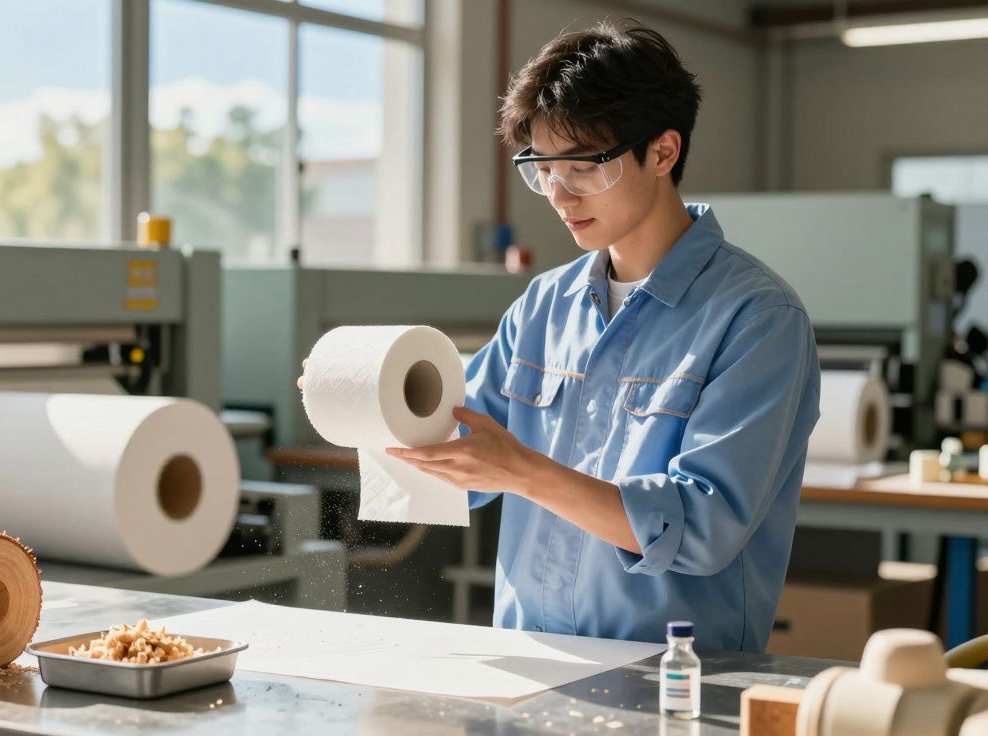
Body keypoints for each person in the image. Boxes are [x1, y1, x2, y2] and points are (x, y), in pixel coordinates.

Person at [305, 19, 820, 652]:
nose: (558, 195)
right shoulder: (544, 306)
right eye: (542, 168)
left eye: (582, 167)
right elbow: (460, 450)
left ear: (663, 152)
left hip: (672, 676)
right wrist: (362, 393)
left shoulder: (756, 318)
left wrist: (522, 471)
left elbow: (703, 527)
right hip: (531, 662)